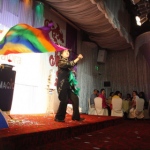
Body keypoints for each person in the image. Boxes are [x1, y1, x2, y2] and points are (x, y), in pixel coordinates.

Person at [54, 49, 84, 122]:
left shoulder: (67, 63)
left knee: (75, 98)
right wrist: (78, 58)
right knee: (64, 100)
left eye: (68, 52)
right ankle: (59, 117)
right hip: (62, 85)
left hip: (68, 86)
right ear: (61, 54)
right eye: (65, 52)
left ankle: (76, 117)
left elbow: (69, 66)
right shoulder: (61, 62)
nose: (67, 52)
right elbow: (70, 64)